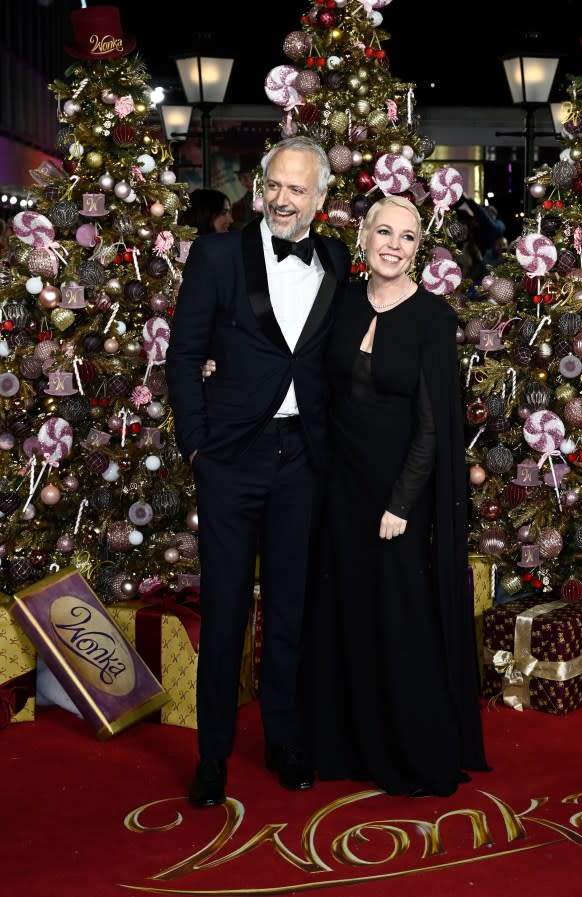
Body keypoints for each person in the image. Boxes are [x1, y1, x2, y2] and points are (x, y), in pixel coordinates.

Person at [165, 136, 351, 808]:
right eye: (273, 184)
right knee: (223, 616)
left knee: (292, 611)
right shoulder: (216, 255)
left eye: (297, 188)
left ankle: (284, 738)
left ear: (321, 199)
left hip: (303, 459)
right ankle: (211, 754)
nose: (280, 198)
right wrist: (195, 447)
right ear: (259, 187)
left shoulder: (336, 258)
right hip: (230, 460)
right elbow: (183, 357)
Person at [307, 195, 490, 797]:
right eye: (382, 231)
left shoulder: (433, 317)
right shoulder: (341, 301)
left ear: (419, 246)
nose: (393, 244)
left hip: (395, 493)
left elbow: (434, 425)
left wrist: (401, 505)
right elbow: (309, 379)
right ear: (361, 237)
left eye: (407, 237)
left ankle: (408, 749)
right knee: (346, 613)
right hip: (336, 485)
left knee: (397, 617)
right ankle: (344, 745)